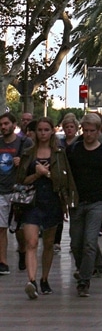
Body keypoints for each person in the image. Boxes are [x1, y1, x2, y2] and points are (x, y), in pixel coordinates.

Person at [15, 117, 78, 299]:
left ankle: (44, 279)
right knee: (32, 242)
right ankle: (32, 280)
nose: (42, 133)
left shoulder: (59, 154)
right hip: (31, 203)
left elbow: (64, 181)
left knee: (48, 243)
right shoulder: (28, 154)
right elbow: (20, 181)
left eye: (46, 130)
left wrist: (48, 174)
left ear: (52, 131)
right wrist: (36, 175)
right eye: (40, 130)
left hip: (52, 202)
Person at [67, 112, 102, 297]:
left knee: (89, 242)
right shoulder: (73, 150)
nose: (88, 134)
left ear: (98, 131)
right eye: (85, 130)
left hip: (97, 202)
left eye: (91, 131)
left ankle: (84, 280)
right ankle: (84, 269)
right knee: (75, 243)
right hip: (76, 203)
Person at [0, 112, 33, 274]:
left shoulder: (25, 143)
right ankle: (3, 262)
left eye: (6, 124)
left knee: (18, 228)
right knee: (1, 227)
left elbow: (33, 162)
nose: (3, 127)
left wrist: (23, 162)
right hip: (1, 190)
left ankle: (22, 250)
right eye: (1, 124)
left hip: (18, 190)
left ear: (14, 125)